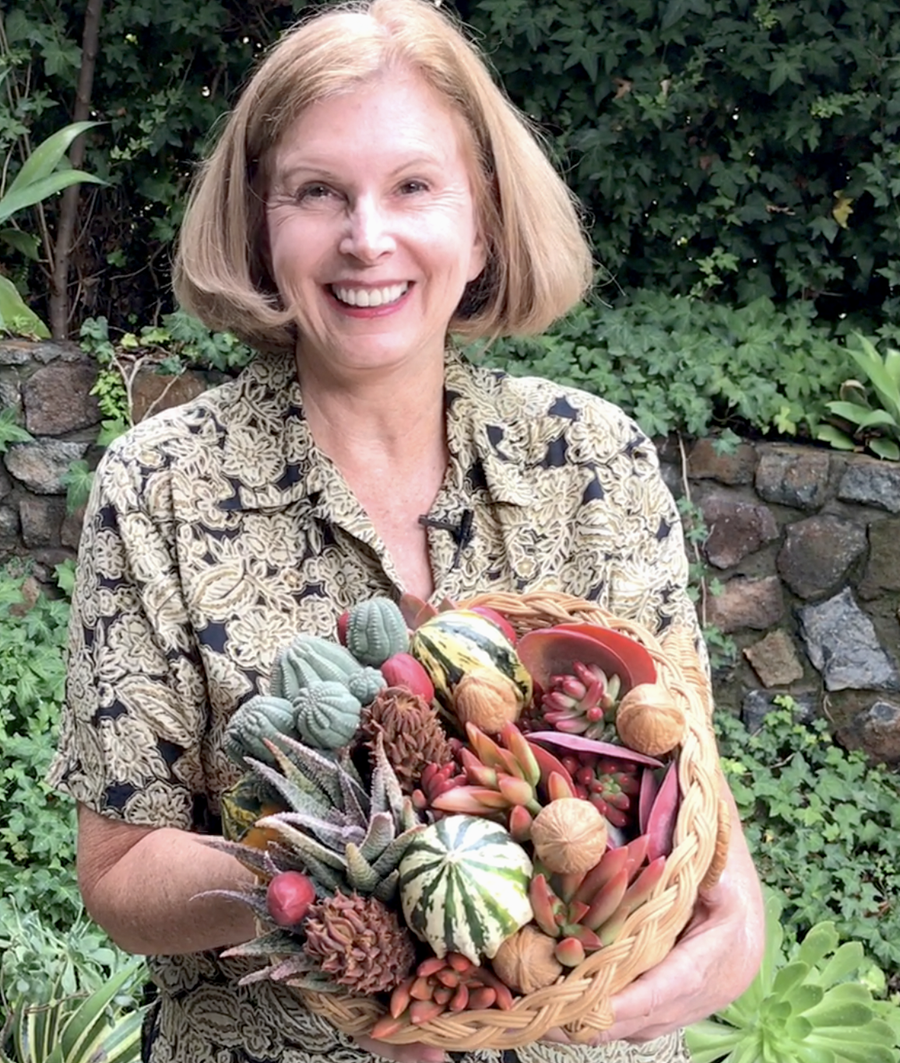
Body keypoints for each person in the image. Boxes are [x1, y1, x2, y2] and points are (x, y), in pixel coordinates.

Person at [48, 1, 764, 1060]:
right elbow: (118, 876)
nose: (366, 237)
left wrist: (738, 926)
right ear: (260, 223)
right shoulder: (161, 484)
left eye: (414, 187)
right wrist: (322, 880)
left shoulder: (595, 465)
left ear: (481, 221)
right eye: (317, 192)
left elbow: (690, 794)